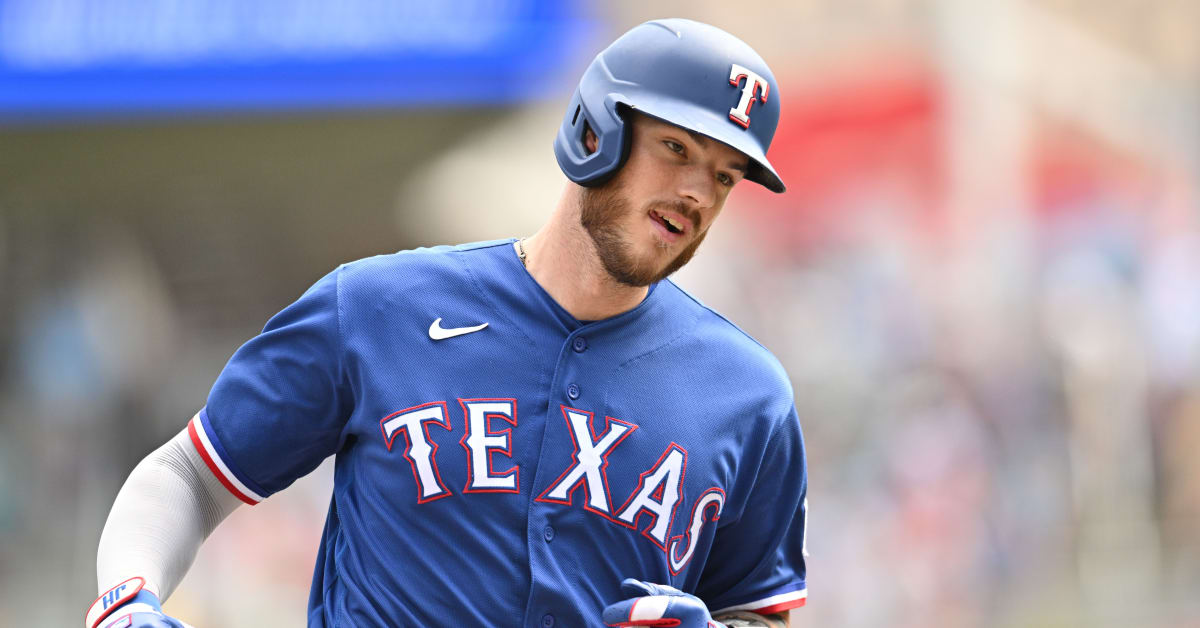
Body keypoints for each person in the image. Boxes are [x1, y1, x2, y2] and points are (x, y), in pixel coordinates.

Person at [86, 18, 807, 628]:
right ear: (597, 131)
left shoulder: (750, 397)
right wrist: (127, 599)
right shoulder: (377, 308)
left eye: (722, 175)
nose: (695, 193)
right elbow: (191, 473)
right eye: (676, 149)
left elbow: (759, 611)